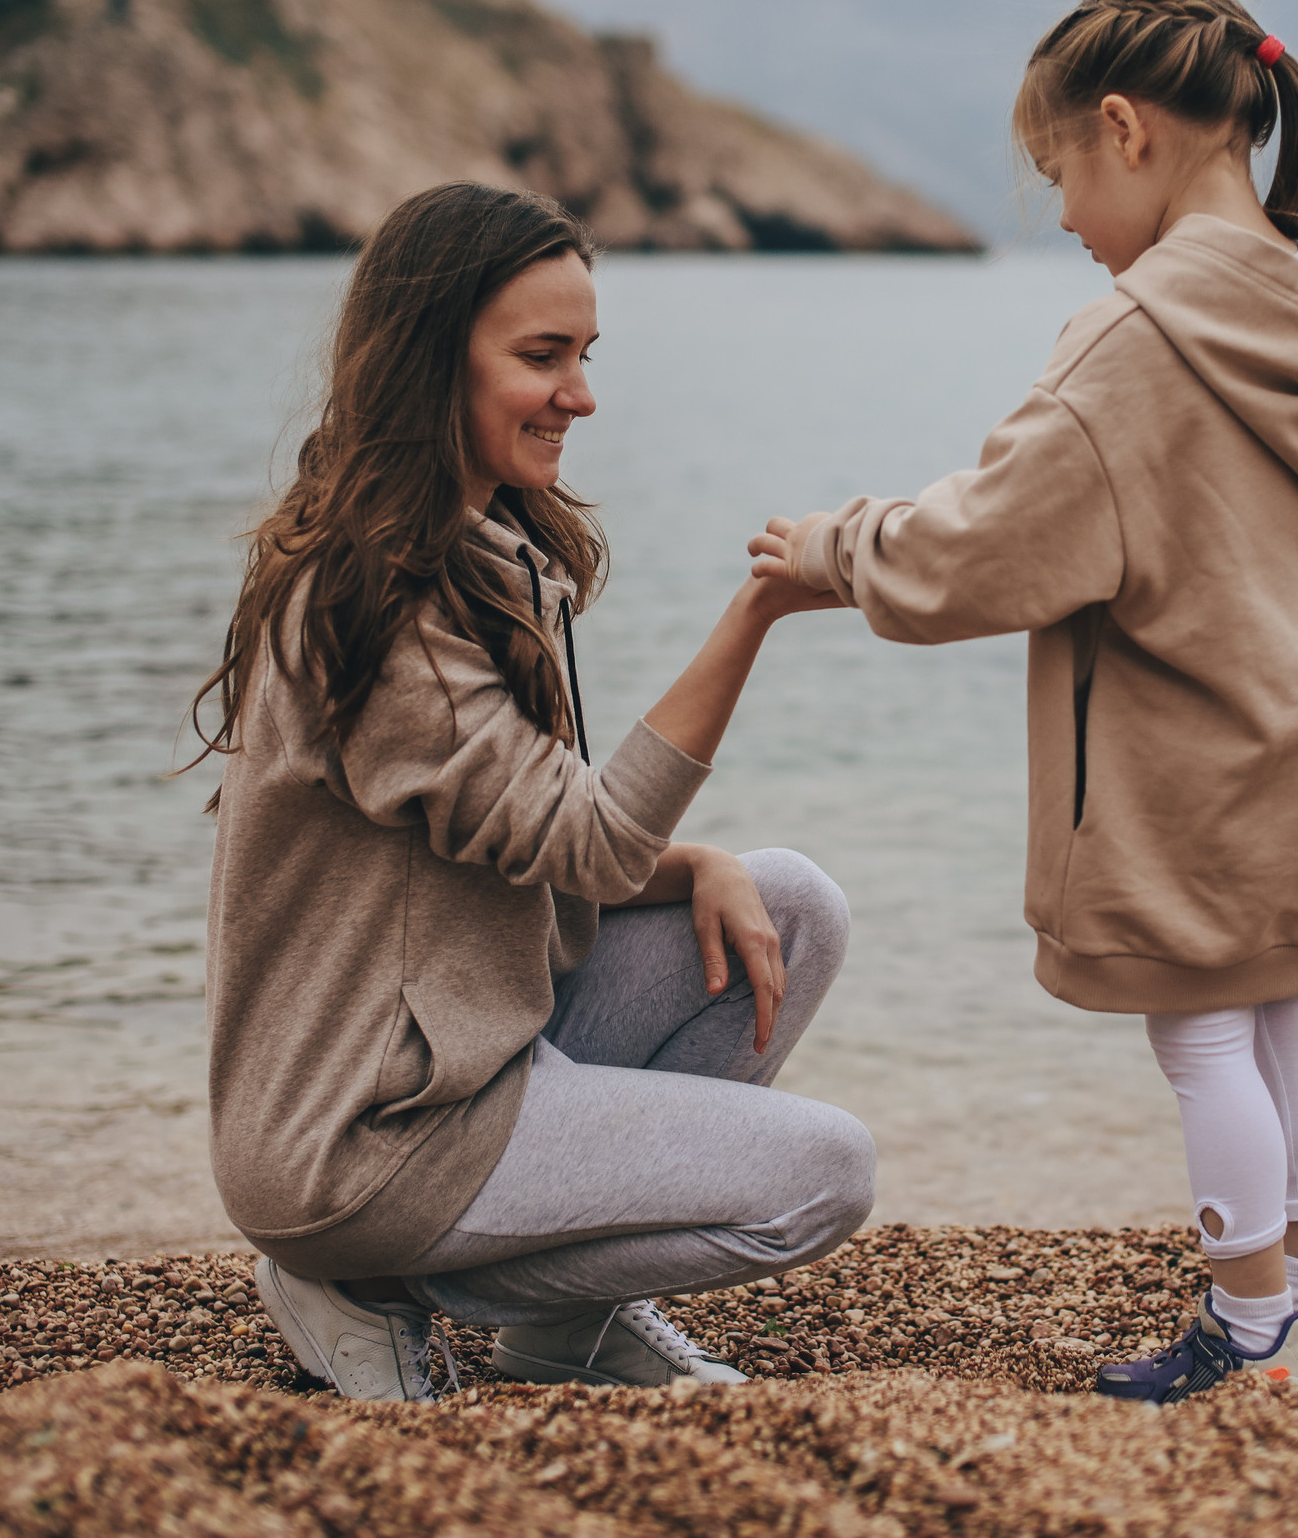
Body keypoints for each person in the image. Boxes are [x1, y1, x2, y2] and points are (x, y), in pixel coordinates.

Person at [749, 0, 1298, 1404]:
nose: (1064, 215)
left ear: (1127, 130)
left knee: (1202, 1030)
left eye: (1059, 169)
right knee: (1293, 1011)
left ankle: (1250, 1332)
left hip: (1200, 743)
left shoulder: (1139, 341)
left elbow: (984, 547)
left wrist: (832, 546)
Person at [189, 182, 873, 1404]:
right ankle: (370, 1282)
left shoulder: (481, 548)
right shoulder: (377, 604)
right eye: (541, 357)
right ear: (428, 363)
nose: (581, 395)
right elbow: (599, 847)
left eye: (585, 355)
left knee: (787, 903)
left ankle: (562, 1330)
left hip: (469, 1053)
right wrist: (757, 610)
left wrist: (699, 864)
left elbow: (543, 839)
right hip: (362, 1136)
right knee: (824, 1176)